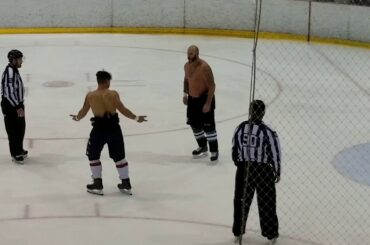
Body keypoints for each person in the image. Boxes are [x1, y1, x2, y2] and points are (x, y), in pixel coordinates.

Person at [70, 70, 147, 195]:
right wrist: (137, 118)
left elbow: (83, 111)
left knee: (93, 155)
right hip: (114, 129)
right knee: (119, 156)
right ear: (107, 81)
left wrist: (77, 118)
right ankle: (125, 182)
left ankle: (98, 183)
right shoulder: (112, 94)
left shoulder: (90, 96)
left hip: (98, 130)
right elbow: (123, 109)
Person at [231, 100, 281, 244]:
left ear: (249, 110)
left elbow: (234, 149)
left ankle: (238, 232)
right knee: (267, 202)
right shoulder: (268, 131)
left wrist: (241, 165)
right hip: (263, 170)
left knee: (241, 200)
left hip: (244, 169)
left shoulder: (240, 128)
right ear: (263, 113)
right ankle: (271, 234)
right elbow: (275, 153)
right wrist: (277, 171)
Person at [183, 45, 219, 162]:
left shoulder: (204, 67)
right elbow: (186, 79)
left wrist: (208, 103)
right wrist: (185, 94)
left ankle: (214, 151)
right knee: (194, 125)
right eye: (188, 53)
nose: (189, 55)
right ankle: (203, 146)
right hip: (192, 101)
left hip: (204, 99)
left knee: (209, 127)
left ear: (197, 54)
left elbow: (212, 86)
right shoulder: (186, 66)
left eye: (192, 53)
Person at [1, 49, 28, 164]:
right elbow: (9, 92)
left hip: (17, 104)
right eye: (19, 59)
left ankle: (19, 149)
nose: (21, 61)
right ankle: (15, 153)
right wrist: (18, 107)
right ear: (13, 60)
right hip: (11, 106)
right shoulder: (10, 73)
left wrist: (20, 105)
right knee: (13, 130)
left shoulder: (14, 70)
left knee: (20, 127)